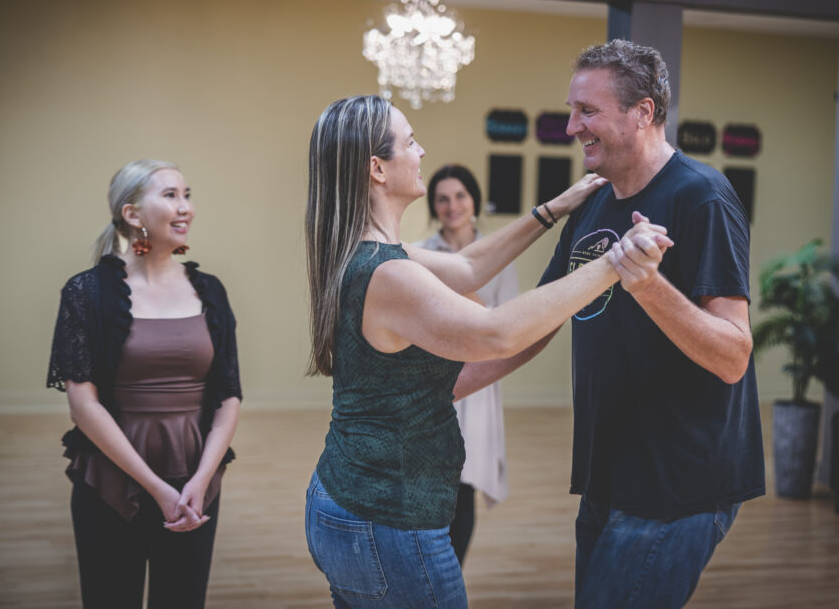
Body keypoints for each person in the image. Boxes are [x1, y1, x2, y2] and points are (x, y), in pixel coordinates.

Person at [303, 94, 672, 608]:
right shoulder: (389, 275)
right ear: (377, 168)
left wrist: (550, 211)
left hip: (351, 503)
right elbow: (496, 332)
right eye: (410, 141)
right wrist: (615, 261)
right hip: (386, 521)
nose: (422, 150)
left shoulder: (372, 253)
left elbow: (470, 267)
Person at [457, 39, 765, 609]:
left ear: (643, 112)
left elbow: (733, 355)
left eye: (587, 111)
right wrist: (434, 390)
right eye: (573, 110)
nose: (572, 126)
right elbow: (538, 320)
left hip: (676, 485)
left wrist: (648, 287)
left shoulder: (703, 198)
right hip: (610, 473)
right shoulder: (596, 200)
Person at [47, 159, 242, 609]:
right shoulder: (86, 292)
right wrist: (156, 487)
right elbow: (83, 403)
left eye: (187, 195)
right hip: (111, 480)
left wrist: (203, 477)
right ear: (133, 214)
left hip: (196, 481)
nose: (185, 207)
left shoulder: (210, 290)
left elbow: (229, 395)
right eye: (170, 195)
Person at [415, 164, 514, 566]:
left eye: (460, 196)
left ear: (473, 200)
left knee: (466, 481)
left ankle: (454, 572)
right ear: (434, 206)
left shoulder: (500, 253)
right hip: (433, 380)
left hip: (478, 378)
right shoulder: (421, 252)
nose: (452, 205)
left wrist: (460, 298)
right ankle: (431, 569)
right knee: (434, 479)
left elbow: (507, 321)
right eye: (443, 198)